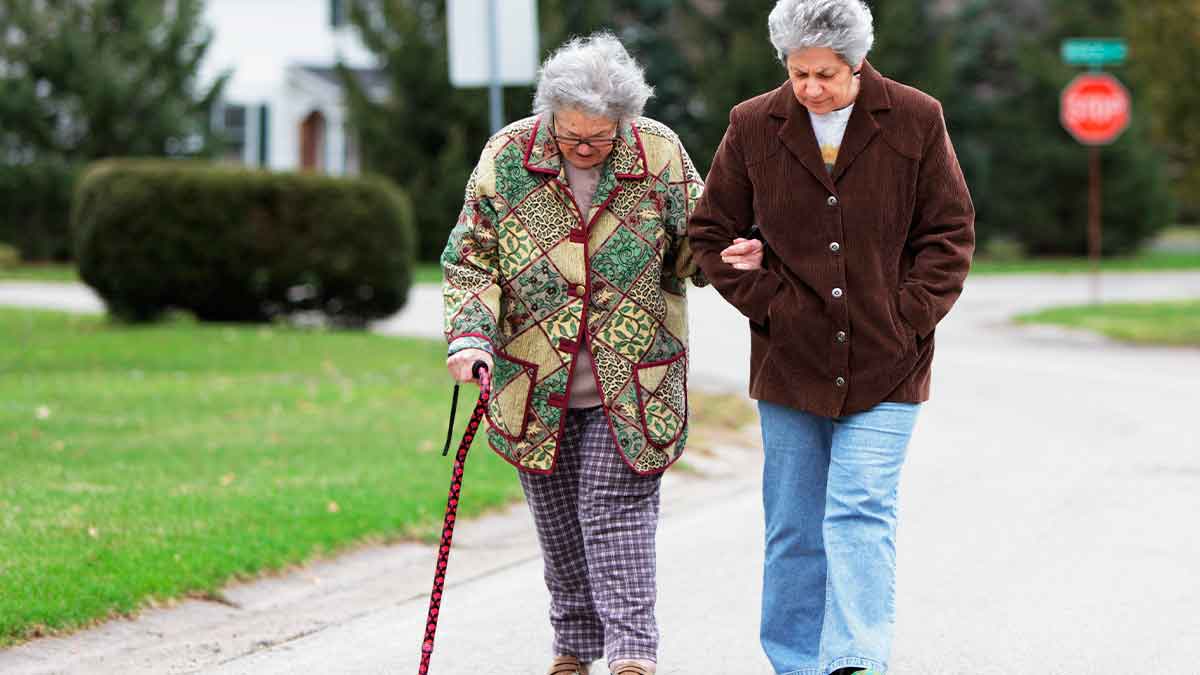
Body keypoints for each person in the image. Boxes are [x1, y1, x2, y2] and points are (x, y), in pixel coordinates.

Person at [687, 1, 975, 673]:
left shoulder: (916, 118)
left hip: (890, 361)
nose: (810, 89)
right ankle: (795, 661)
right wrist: (765, 300)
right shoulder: (753, 124)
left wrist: (908, 315)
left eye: (825, 74)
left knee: (860, 509)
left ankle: (854, 658)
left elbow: (949, 233)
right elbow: (709, 231)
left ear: (857, 64)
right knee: (793, 525)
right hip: (790, 363)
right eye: (797, 74)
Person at [440, 32, 705, 675]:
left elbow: (698, 241)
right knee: (559, 528)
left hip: (636, 380)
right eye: (571, 136)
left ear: (624, 120)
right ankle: (573, 648)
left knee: (612, 516)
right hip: (532, 382)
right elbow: (471, 260)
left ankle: (632, 655)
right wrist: (470, 337)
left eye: (600, 137)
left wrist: (732, 257)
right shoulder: (507, 157)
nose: (585, 148)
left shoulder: (659, 153)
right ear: (548, 113)